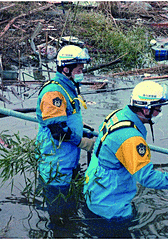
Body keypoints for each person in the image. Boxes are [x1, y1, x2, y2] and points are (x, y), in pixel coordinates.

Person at [83, 81, 168, 231]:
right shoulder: (131, 138)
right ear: (146, 110)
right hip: (111, 206)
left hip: (95, 188)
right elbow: (147, 178)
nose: (160, 113)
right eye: (158, 109)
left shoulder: (118, 114)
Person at [36, 45, 95, 221]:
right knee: (59, 215)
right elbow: (58, 130)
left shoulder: (68, 87)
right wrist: (83, 142)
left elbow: (67, 119)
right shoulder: (53, 93)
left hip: (68, 159)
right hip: (56, 164)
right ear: (66, 69)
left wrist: (83, 132)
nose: (81, 73)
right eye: (79, 69)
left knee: (71, 209)